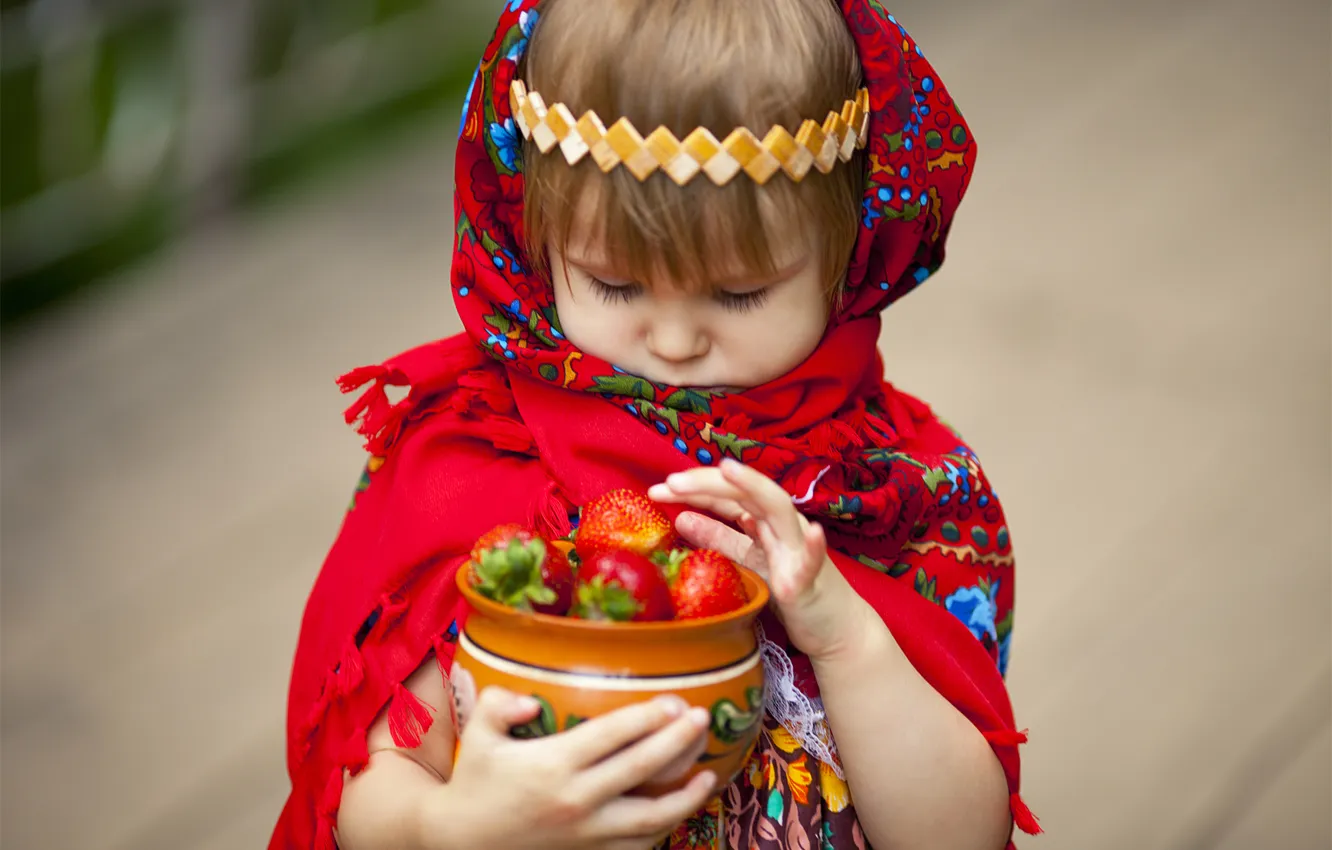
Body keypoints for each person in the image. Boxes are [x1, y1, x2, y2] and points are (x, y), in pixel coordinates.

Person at [270, 1, 1041, 848]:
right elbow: (369, 782)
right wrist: (452, 829)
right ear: (535, 239)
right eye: (613, 283)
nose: (674, 342)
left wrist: (848, 639)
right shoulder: (468, 464)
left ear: (849, 249)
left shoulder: (894, 495)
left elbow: (962, 836)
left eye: (740, 293)